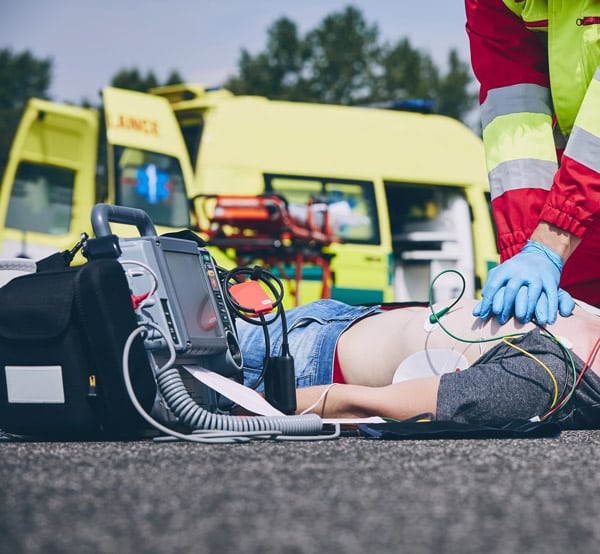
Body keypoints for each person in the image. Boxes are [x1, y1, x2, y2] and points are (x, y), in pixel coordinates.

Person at [237, 298, 600, 428]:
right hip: (339, 320)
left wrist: (241, 417)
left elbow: (366, 407)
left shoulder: (546, 379)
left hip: (293, 362)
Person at [465, 1, 600, 326]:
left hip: (582, 188)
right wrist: (525, 250)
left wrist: (551, 241)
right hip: (584, 188)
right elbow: (514, 112)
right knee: (553, 339)